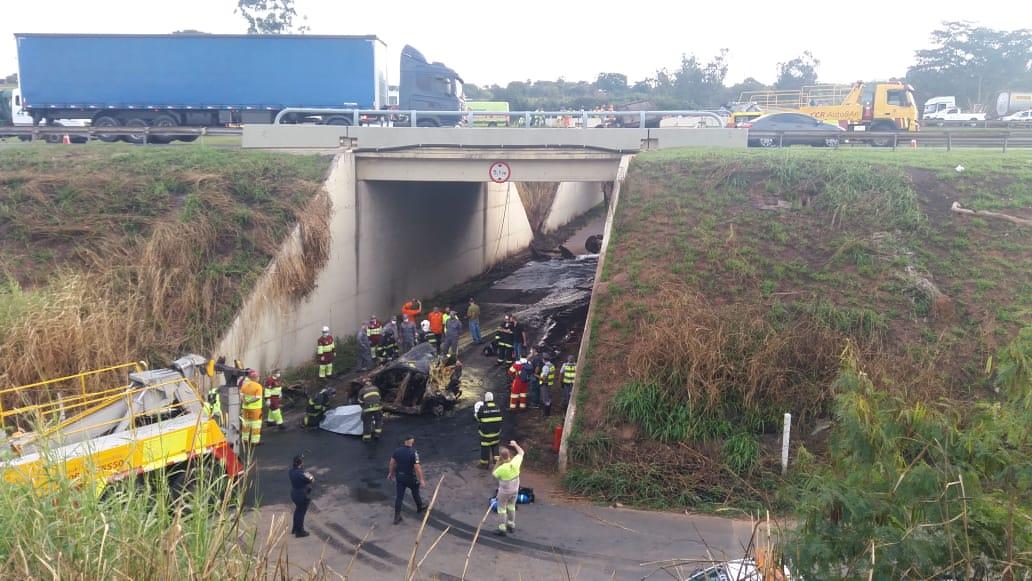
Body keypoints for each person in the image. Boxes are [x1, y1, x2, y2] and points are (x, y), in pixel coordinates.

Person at [388, 436, 426, 524]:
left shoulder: (397, 451)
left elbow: (392, 463)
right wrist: (421, 480)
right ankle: (420, 507)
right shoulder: (414, 453)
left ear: (405, 442)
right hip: (410, 477)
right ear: (412, 442)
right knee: (415, 492)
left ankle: (396, 517)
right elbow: (417, 467)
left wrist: (391, 473)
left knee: (399, 497)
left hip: (400, 477)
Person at [492, 440, 525, 536]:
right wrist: (515, 444)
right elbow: (521, 452)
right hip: (515, 490)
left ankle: (502, 529)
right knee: (511, 506)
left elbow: (494, 473)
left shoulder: (502, 469)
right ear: (510, 455)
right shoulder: (515, 462)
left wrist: (498, 462)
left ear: (501, 457)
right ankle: (511, 525)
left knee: (502, 509)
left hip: (504, 492)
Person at [474, 392, 503, 468]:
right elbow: (500, 419)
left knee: (485, 448)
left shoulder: (482, 408)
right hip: (496, 432)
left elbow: (478, 418)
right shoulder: (498, 407)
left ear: (485, 399)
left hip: (485, 433)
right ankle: (497, 463)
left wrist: (476, 414)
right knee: (495, 446)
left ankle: (484, 464)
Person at [289, 455, 315, 537]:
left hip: (294, 493)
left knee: (297, 511)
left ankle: (295, 528)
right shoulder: (302, 473)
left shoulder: (291, 471)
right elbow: (311, 479)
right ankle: (299, 531)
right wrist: (308, 474)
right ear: (301, 463)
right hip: (302, 495)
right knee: (301, 513)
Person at [240, 369, 264, 446]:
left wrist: (245, 402)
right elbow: (257, 397)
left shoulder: (244, 385)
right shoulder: (258, 386)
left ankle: (245, 440)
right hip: (255, 410)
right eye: (258, 377)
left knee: (246, 424)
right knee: (255, 425)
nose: (258, 378)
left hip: (245, 409)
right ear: (255, 378)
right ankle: (254, 441)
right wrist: (249, 401)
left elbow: (241, 396)